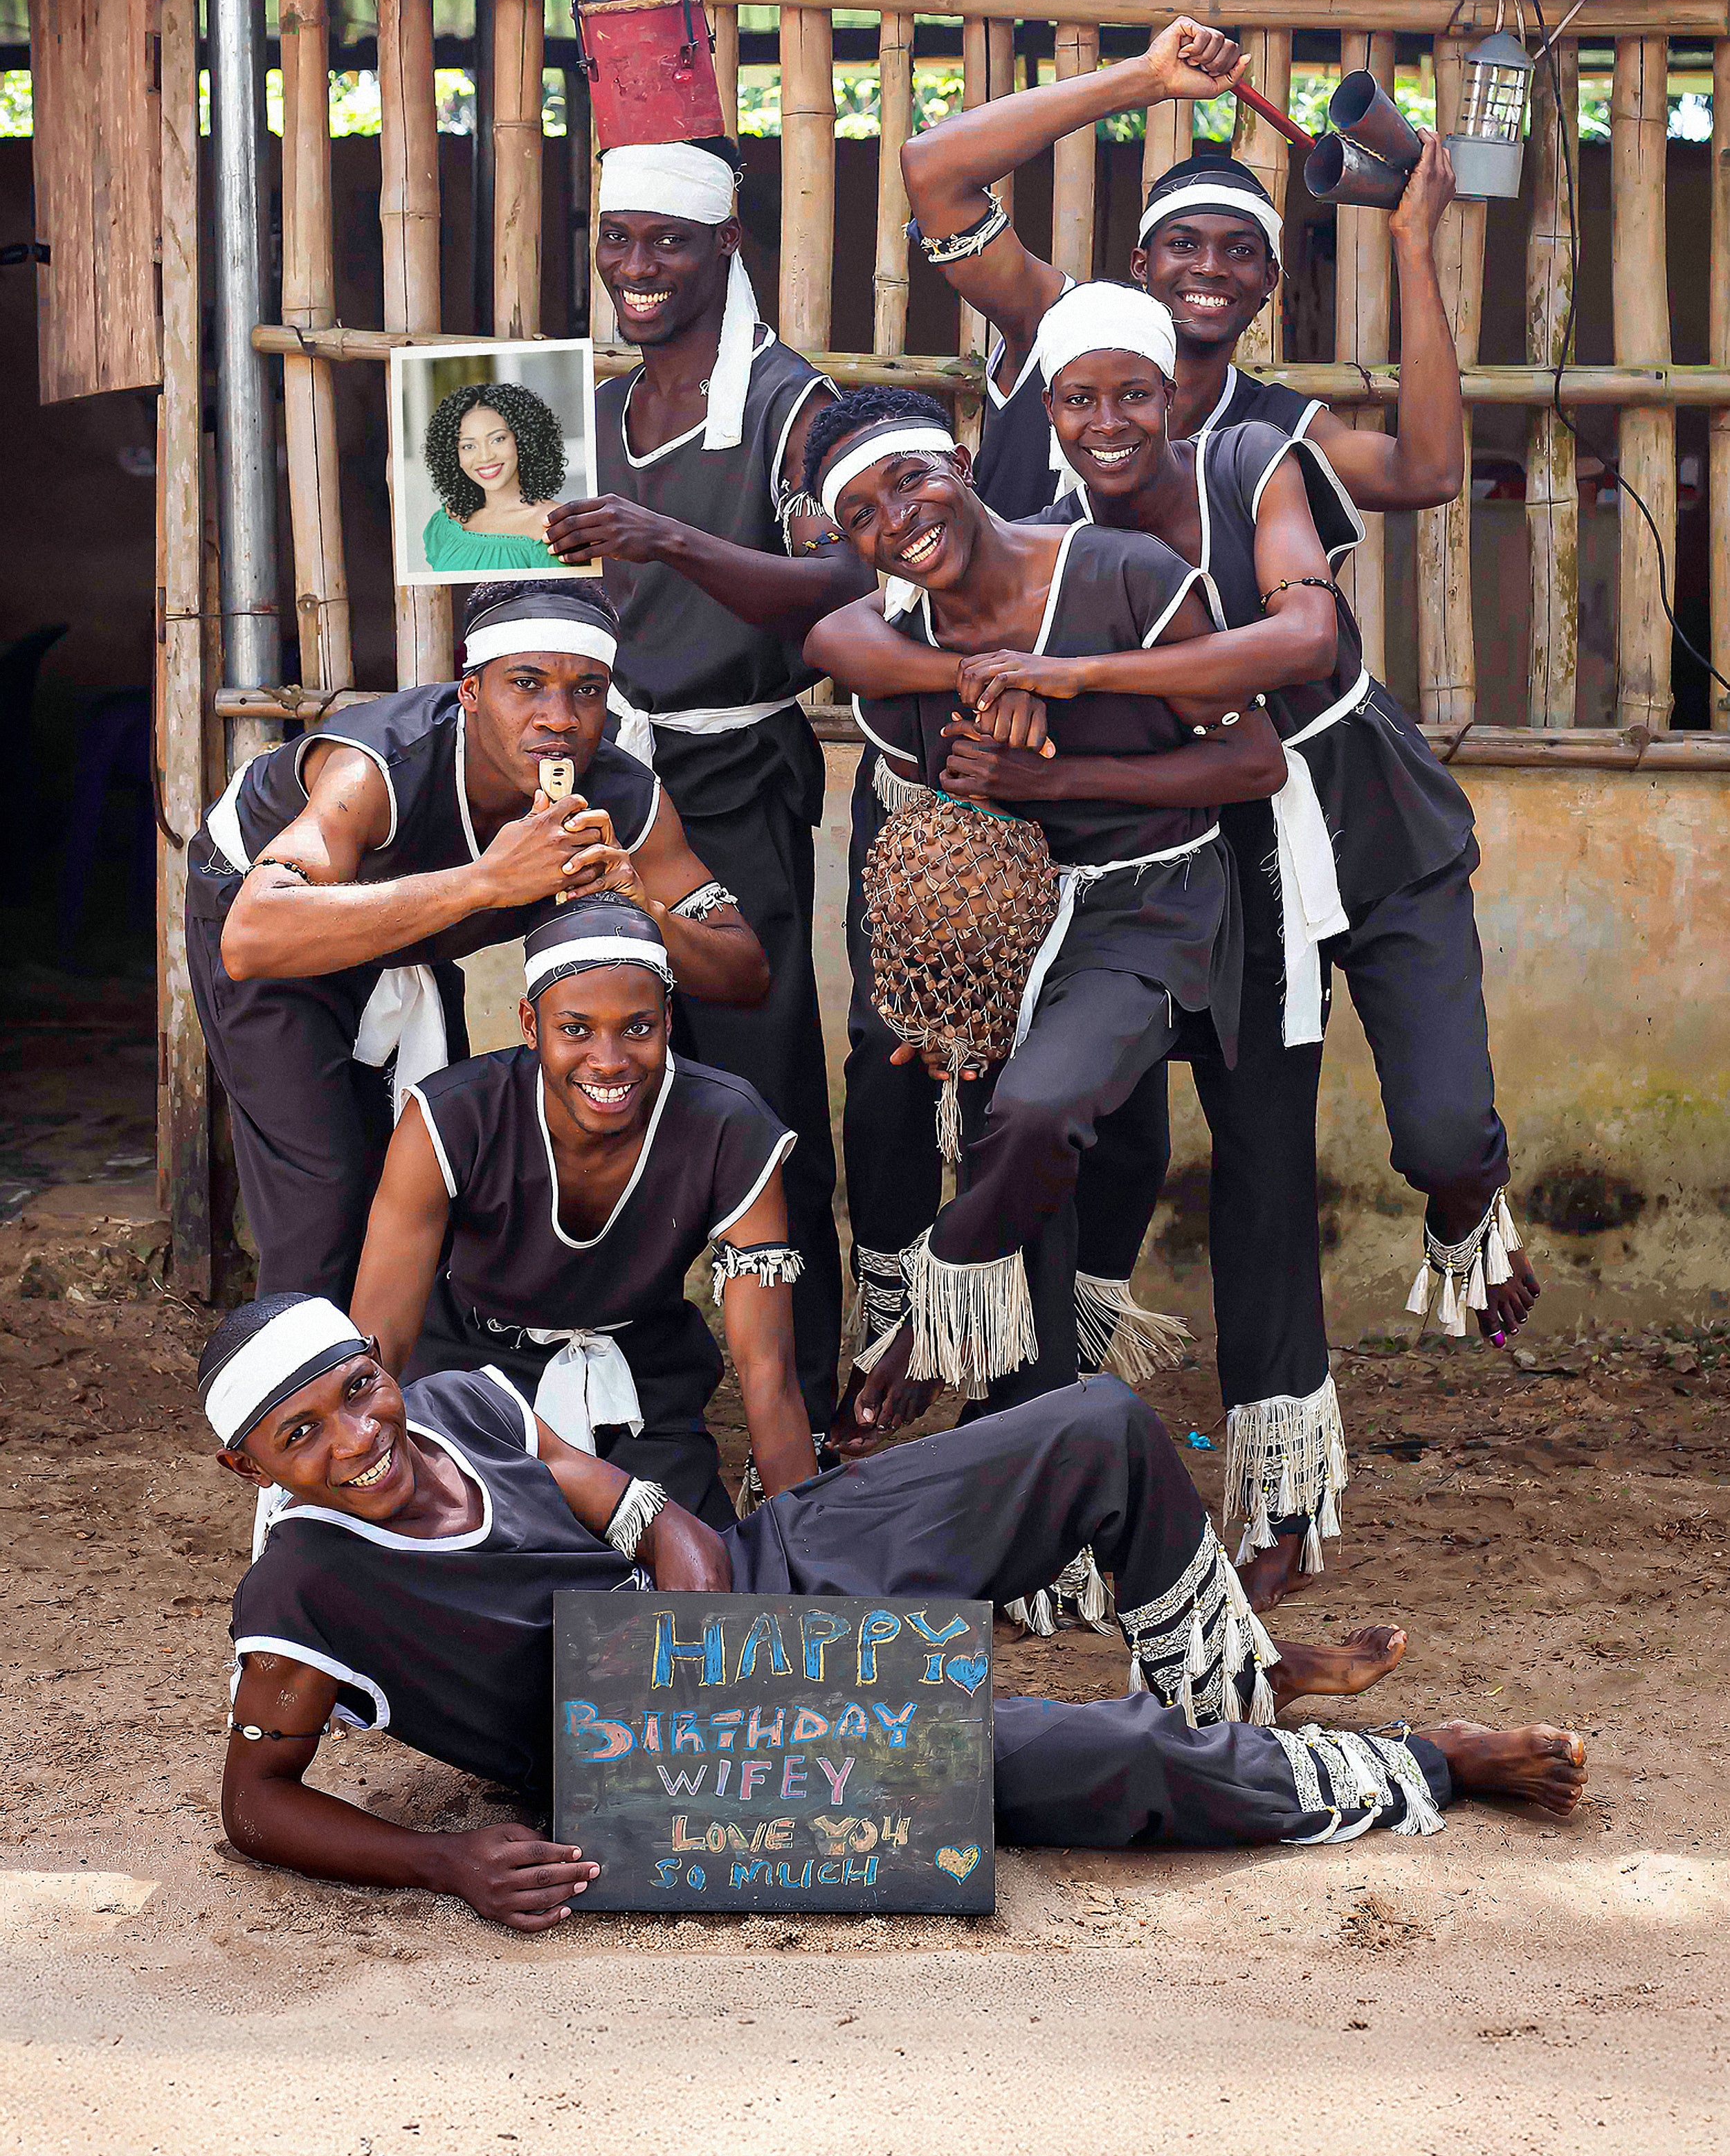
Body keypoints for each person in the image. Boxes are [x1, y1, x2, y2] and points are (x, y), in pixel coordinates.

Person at [208, 1292, 1587, 1931]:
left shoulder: (456, 1404)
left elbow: (654, 1519)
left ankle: (1228, 1683)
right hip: (657, 1765)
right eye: (301, 1432)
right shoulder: (306, 1589)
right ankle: (1419, 1764)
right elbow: (255, 1805)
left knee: (1095, 1426)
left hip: (748, 1589)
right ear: (250, 1467)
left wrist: (704, 1633)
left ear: (381, 1368)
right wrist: (444, 1862)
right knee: (1091, 1761)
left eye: (354, 1389)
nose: (353, 1436)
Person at [951, 280, 1536, 1605]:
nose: (1108, 423)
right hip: (1225, 864)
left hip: (1362, 818)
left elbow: (1305, 631)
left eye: (1133, 395)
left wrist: (1083, 679)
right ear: (1049, 412)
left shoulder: (1251, 461)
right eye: (1079, 399)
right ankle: (1270, 1495)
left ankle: (1467, 1197)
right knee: (1259, 1169)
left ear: (1174, 396)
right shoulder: (1051, 540)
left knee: (1441, 1130)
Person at [802, 386, 1281, 1437]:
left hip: (1151, 904)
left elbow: (1253, 760)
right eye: (864, 517)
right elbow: (836, 642)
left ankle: (934, 1312)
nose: (899, 520)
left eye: (912, 480)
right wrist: (977, 682)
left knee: (1034, 1111)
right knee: (1014, 1158)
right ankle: (1038, 1505)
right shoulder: (892, 661)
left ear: (965, 463)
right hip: (1005, 936)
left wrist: (1058, 768)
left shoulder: (1125, 574)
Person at [540, 136, 875, 1441]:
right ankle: (620, 1369)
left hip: (737, 781)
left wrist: (670, 536)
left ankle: (809, 1389)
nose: (637, 266)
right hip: (608, 782)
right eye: (619, 237)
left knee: (761, 1085)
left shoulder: (793, 405)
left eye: (668, 241)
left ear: (725, 246)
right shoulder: (597, 412)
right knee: (598, 1061)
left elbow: (847, 580)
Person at [185, 581, 768, 1304]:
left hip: (406, 943)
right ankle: (292, 1400)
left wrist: (643, 904)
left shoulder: (621, 794)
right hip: (274, 929)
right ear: (469, 693)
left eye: (588, 691)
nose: (559, 720)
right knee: (323, 1192)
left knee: (421, 1165)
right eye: (526, 686)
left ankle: (400, 1390)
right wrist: (487, 883)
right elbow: (252, 936)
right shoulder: (379, 766)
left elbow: (744, 968)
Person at [350, 896, 818, 1528]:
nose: (610, 1060)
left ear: (669, 1020)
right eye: (575, 1029)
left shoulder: (728, 1128)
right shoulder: (451, 1118)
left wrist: (809, 1544)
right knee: (470, 1553)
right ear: (529, 1023)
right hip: (471, 1382)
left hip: (643, 1391)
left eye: (637, 1027)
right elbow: (382, 1343)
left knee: (685, 1557)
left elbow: (768, 1372)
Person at [900, 15, 1464, 516]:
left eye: (1241, 250)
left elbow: (1426, 476)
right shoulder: (1059, 326)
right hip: (1003, 640)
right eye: (1185, 244)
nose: (1212, 267)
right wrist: (1147, 78)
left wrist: (1412, 242)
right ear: (1142, 265)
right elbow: (932, 167)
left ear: (1269, 281)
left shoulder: (1273, 426)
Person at [418, 381, 569, 581]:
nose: (485, 457)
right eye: (468, 446)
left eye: (497, 439)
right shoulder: (446, 521)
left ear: (523, 440)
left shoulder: (556, 526)